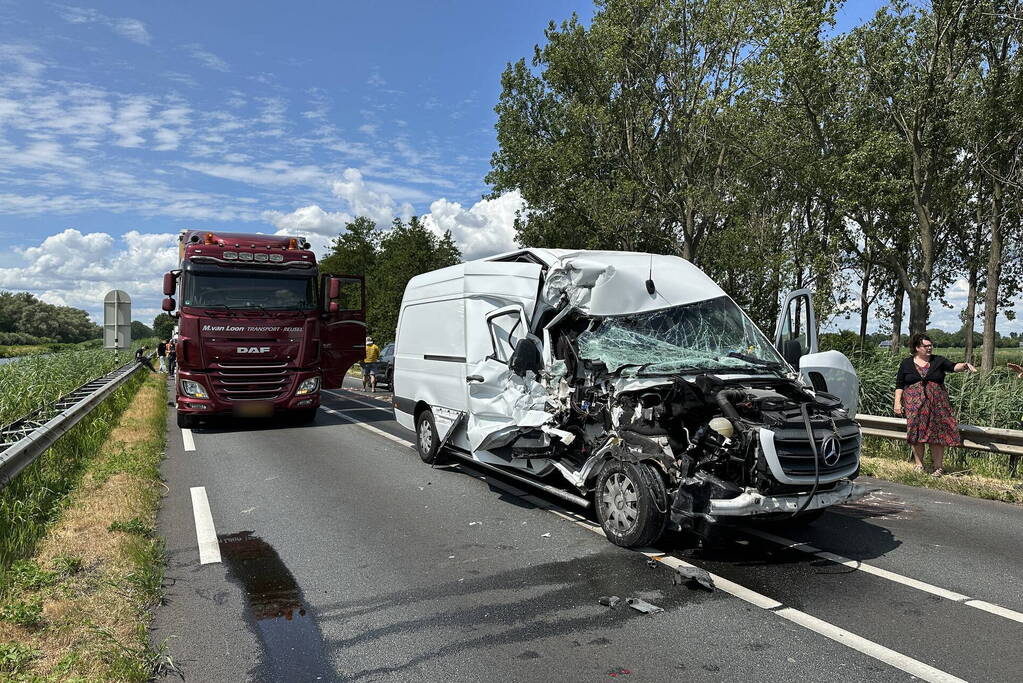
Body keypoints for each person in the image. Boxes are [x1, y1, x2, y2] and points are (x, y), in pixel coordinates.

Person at [894, 333, 976, 476]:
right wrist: (897, 403)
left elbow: (953, 366)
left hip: (937, 405)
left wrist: (964, 366)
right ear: (917, 348)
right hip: (914, 405)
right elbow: (900, 384)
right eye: (926, 346)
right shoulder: (906, 363)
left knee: (937, 434)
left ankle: (938, 467)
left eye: (931, 345)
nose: (930, 348)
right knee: (916, 433)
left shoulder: (938, 361)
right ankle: (919, 466)